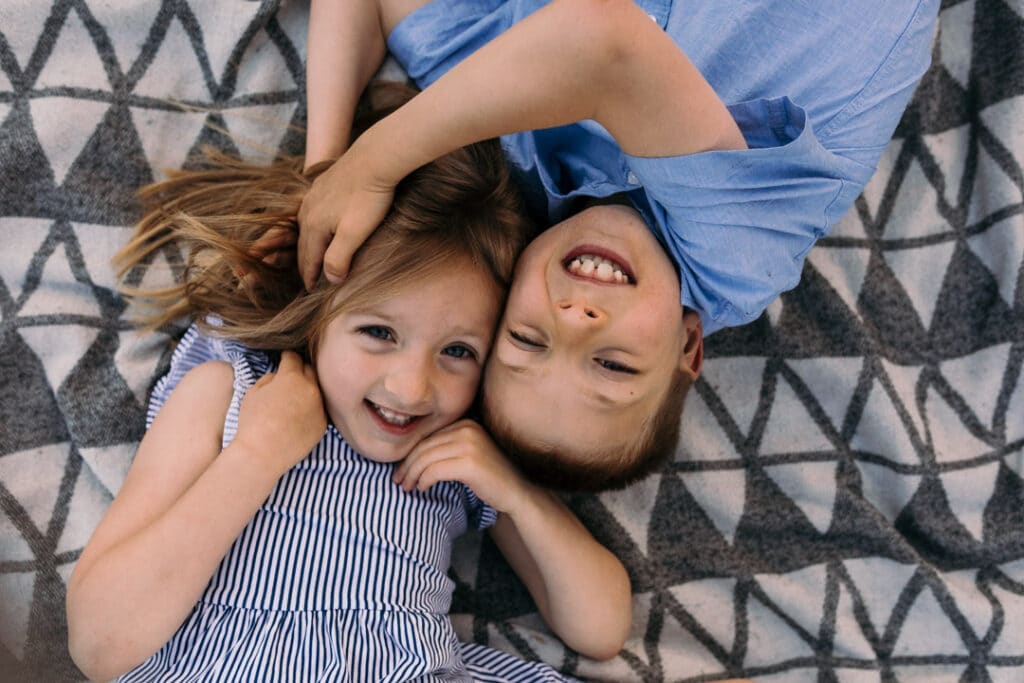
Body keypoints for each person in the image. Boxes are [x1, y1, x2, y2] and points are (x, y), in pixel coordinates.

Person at [64, 84, 632, 681]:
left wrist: (515, 493)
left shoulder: (458, 451)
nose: (412, 388)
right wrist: (258, 453)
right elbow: (100, 647)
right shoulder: (228, 393)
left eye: (458, 351)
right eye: (379, 333)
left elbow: (600, 629)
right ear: (317, 301)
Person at [296, 0, 940, 491]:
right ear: (687, 345)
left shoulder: (520, 156)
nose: (576, 321)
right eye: (614, 365)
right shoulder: (734, 257)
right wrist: (375, 163)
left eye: (528, 339)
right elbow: (605, 48)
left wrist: (325, 178)